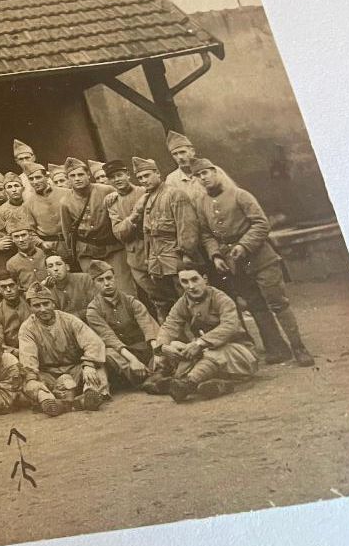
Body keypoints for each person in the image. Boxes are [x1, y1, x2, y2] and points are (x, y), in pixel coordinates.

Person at [192, 158, 315, 367]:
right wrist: (216, 255)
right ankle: (277, 348)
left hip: (261, 258)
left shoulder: (240, 195)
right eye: (198, 176)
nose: (203, 178)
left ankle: (299, 348)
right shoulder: (202, 203)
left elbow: (261, 224)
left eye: (205, 173)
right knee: (256, 305)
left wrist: (244, 245)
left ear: (215, 172)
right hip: (234, 263)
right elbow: (206, 234)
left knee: (278, 302)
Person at [151, 267, 259, 402]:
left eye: (195, 279)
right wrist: (162, 347)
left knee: (214, 354)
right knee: (175, 346)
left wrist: (199, 343)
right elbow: (169, 325)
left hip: (237, 351)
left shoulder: (221, 298)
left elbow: (229, 326)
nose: (190, 286)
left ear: (205, 279)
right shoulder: (183, 302)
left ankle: (188, 383)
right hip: (205, 352)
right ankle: (217, 385)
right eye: (184, 282)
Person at [17, 282, 110, 415]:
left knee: (98, 370)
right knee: (30, 383)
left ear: (53, 304)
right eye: (37, 305)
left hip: (75, 369)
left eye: (46, 304)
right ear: (30, 307)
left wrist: (88, 364)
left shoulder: (69, 320)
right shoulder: (27, 328)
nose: (42, 309)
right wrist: (32, 378)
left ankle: (89, 395)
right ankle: (50, 401)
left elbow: (93, 342)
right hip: (49, 374)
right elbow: (28, 358)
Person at [132, 156, 202, 320]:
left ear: (157, 173)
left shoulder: (175, 194)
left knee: (193, 303)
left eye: (147, 175)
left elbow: (187, 228)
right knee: (172, 308)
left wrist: (186, 256)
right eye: (140, 178)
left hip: (176, 260)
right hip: (157, 263)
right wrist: (149, 259)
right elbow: (147, 234)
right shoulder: (147, 200)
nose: (144, 181)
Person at [58, 157, 132, 295]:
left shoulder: (106, 190)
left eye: (80, 174)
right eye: (72, 176)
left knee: (124, 289)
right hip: (88, 252)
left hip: (113, 247)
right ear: (68, 179)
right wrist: (74, 255)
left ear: (88, 175)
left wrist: (117, 193)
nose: (77, 178)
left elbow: (125, 202)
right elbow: (67, 232)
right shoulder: (65, 202)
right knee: (97, 291)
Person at [84, 259, 158, 389]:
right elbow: (109, 338)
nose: (107, 283)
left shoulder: (130, 301)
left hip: (142, 348)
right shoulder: (93, 310)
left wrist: (157, 353)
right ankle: (148, 378)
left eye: (109, 278)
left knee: (162, 345)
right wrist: (133, 360)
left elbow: (147, 326)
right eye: (100, 280)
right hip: (122, 355)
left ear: (114, 278)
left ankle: (155, 372)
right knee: (107, 353)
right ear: (94, 283)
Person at [104, 158, 150, 299]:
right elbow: (119, 233)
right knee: (154, 298)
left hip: (154, 251)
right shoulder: (112, 202)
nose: (117, 179)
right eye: (112, 177)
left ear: (128, 175)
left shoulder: (144, 192)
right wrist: (134, 216)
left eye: (119, 175)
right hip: (135, 257)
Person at [23, 163, 65, 255]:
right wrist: (41, 243)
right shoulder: (28, 204)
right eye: (31, 179)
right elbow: (30, 231)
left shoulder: (66, 193)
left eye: (38, 177)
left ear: (46, 177)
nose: (35, 182)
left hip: (74, 243)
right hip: (50, 248)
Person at [44, 253, 97, 322]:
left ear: (67, 267)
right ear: (47, 271)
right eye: (50, 266)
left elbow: (96, 305)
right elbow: (52, 316)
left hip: (90, 321)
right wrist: (47, 291)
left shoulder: (85, 279)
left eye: (59, 264)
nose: (55, 269)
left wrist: (75, 316)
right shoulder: (48, 288)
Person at [0, 272, 32, 351]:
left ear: (17, 285)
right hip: (14, 352)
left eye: (11, 285)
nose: (8, 290)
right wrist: (15, 352)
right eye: (3, 287)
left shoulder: (30, 300)